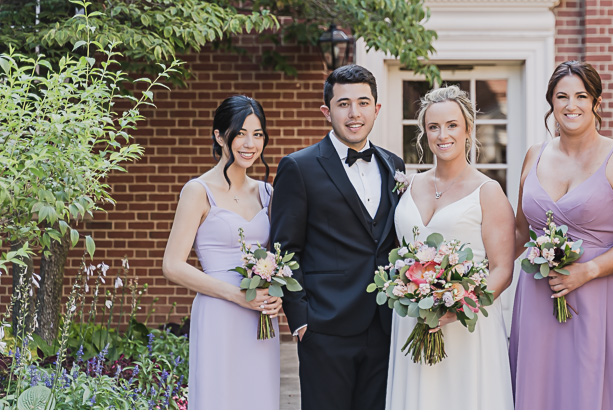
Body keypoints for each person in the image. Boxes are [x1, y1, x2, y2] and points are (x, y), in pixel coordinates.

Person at [509, 61, 613, 410]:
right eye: (562, 96)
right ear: (551, 103)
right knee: (538, 388)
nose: (571, 105)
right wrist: (472, 280)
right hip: (537, 295)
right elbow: (519, 231)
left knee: (595, 389)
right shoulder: (534, 155)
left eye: (581, 96)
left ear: (597, 102)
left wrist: (587, 271)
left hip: (598, 294)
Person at [270, 65, 405, 410]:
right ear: (326, 111)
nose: (354, 113)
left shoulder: (394, 165)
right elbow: (284, 249)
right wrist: (300, 321)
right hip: (325, 327)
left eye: (363, 102)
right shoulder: (299, 167)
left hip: (385, 323)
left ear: (377, 109)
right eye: (344, 104)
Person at [386, 86, 515, 410]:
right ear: (424, 133)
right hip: (413, 319)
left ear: (468, 129)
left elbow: (502, 270)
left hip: (467, 327)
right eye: (433, 127)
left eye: (452, 125)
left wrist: (454, 306)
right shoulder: (409, 184)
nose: (442, 135)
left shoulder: (488, 191)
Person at [162, 95, 281, 410]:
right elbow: (172, 265)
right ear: (219, 135)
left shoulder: (268, 193)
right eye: (240, 133)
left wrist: (276, 290)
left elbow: (277, 256)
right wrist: (238, 295)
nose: (249, 143)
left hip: (261, 318)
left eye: (257, 134)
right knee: (220, 397)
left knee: (259, 397)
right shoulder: (197, 191)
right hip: (219, 314)